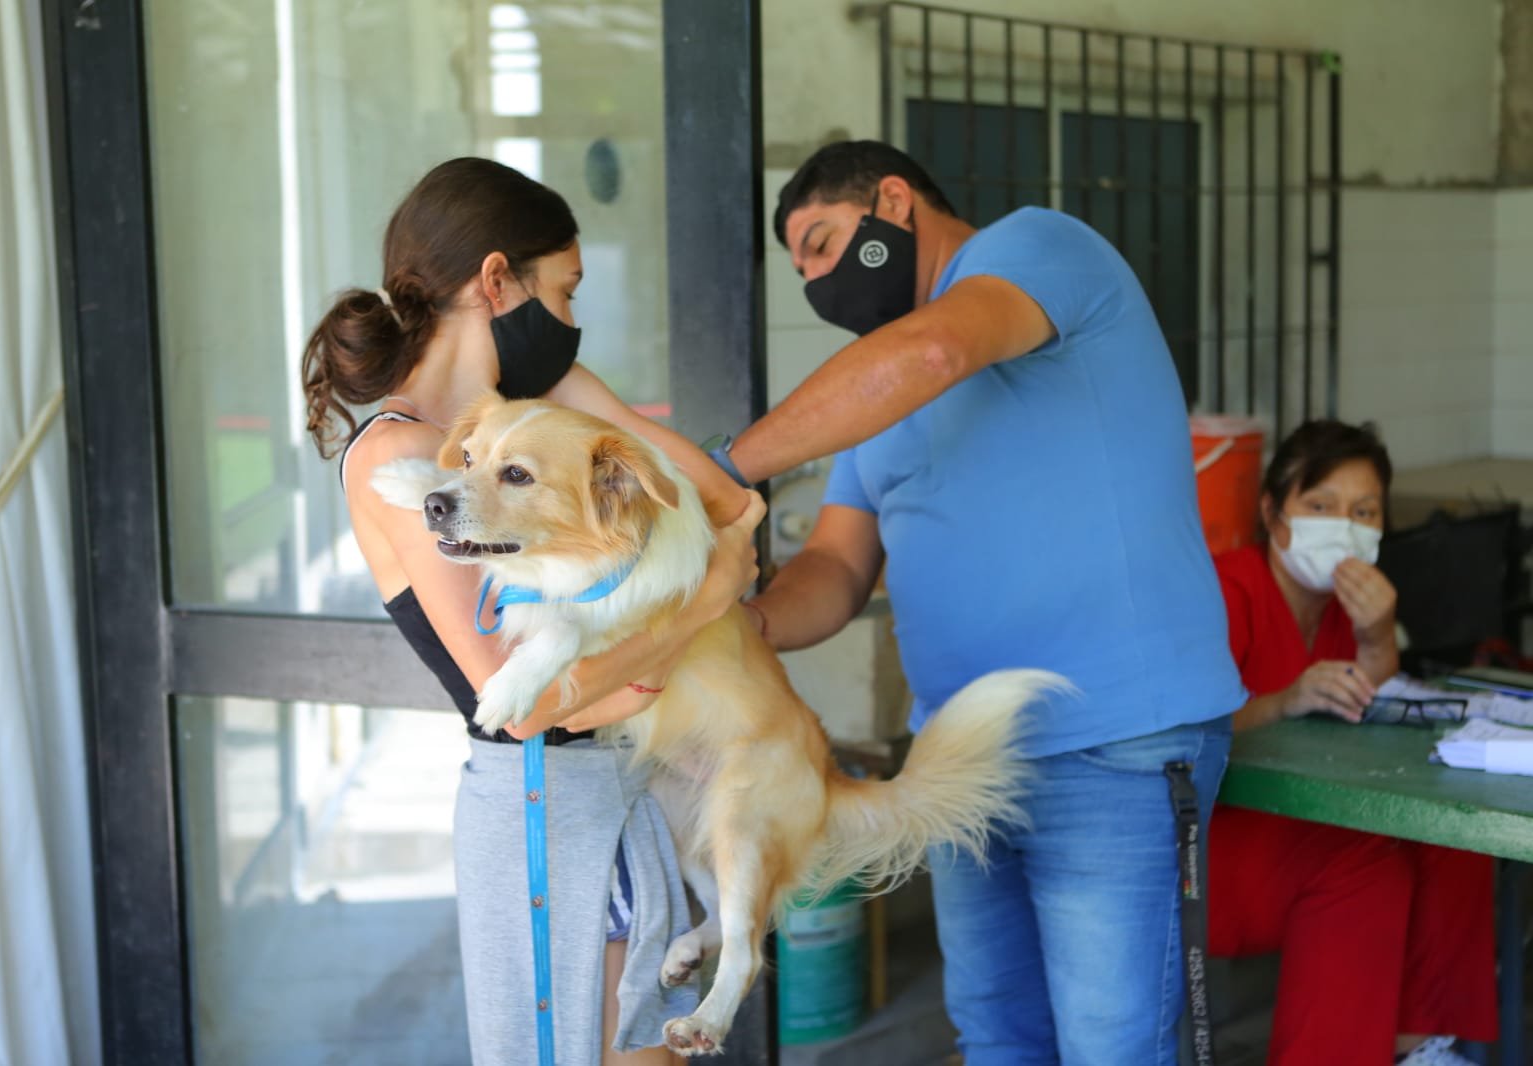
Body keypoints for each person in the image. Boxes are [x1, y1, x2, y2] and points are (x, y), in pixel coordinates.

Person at [730, 141, 1247, 1064]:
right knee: (996, 1035)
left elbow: (936, 347)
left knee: (1111, 1045)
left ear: (893, 202)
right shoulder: (876, 392)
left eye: (821, 243)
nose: (814, 281)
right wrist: (738, 625)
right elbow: (835, 572)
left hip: (1113, 742)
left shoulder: (1034, 247)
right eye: (798, 266)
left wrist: (720, 471)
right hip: (959, 759)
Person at [301, 157, 763, 1066]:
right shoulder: (398, 460)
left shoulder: (524, 426)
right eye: (565, 291)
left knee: (646, 1053)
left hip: (618, 792)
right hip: (544, 803)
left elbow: (714, 500)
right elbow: (529, 703)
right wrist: (707, 600)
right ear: (497, 281)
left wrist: (575, 391)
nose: (570, 321)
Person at [1206, 419, 1496, 1066]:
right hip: (1217, 848)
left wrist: (1378, 635)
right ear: (1272, 512)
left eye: (1362, 511)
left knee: (1455, 839)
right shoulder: (1226, 590)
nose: (1343, 525)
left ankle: (1417, 1047)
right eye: (1320, 506)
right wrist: (1281, 702)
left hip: (1309, 820)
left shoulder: (1347, 607)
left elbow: (1367, 701)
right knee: (1366, 864)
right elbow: (1176, 733)